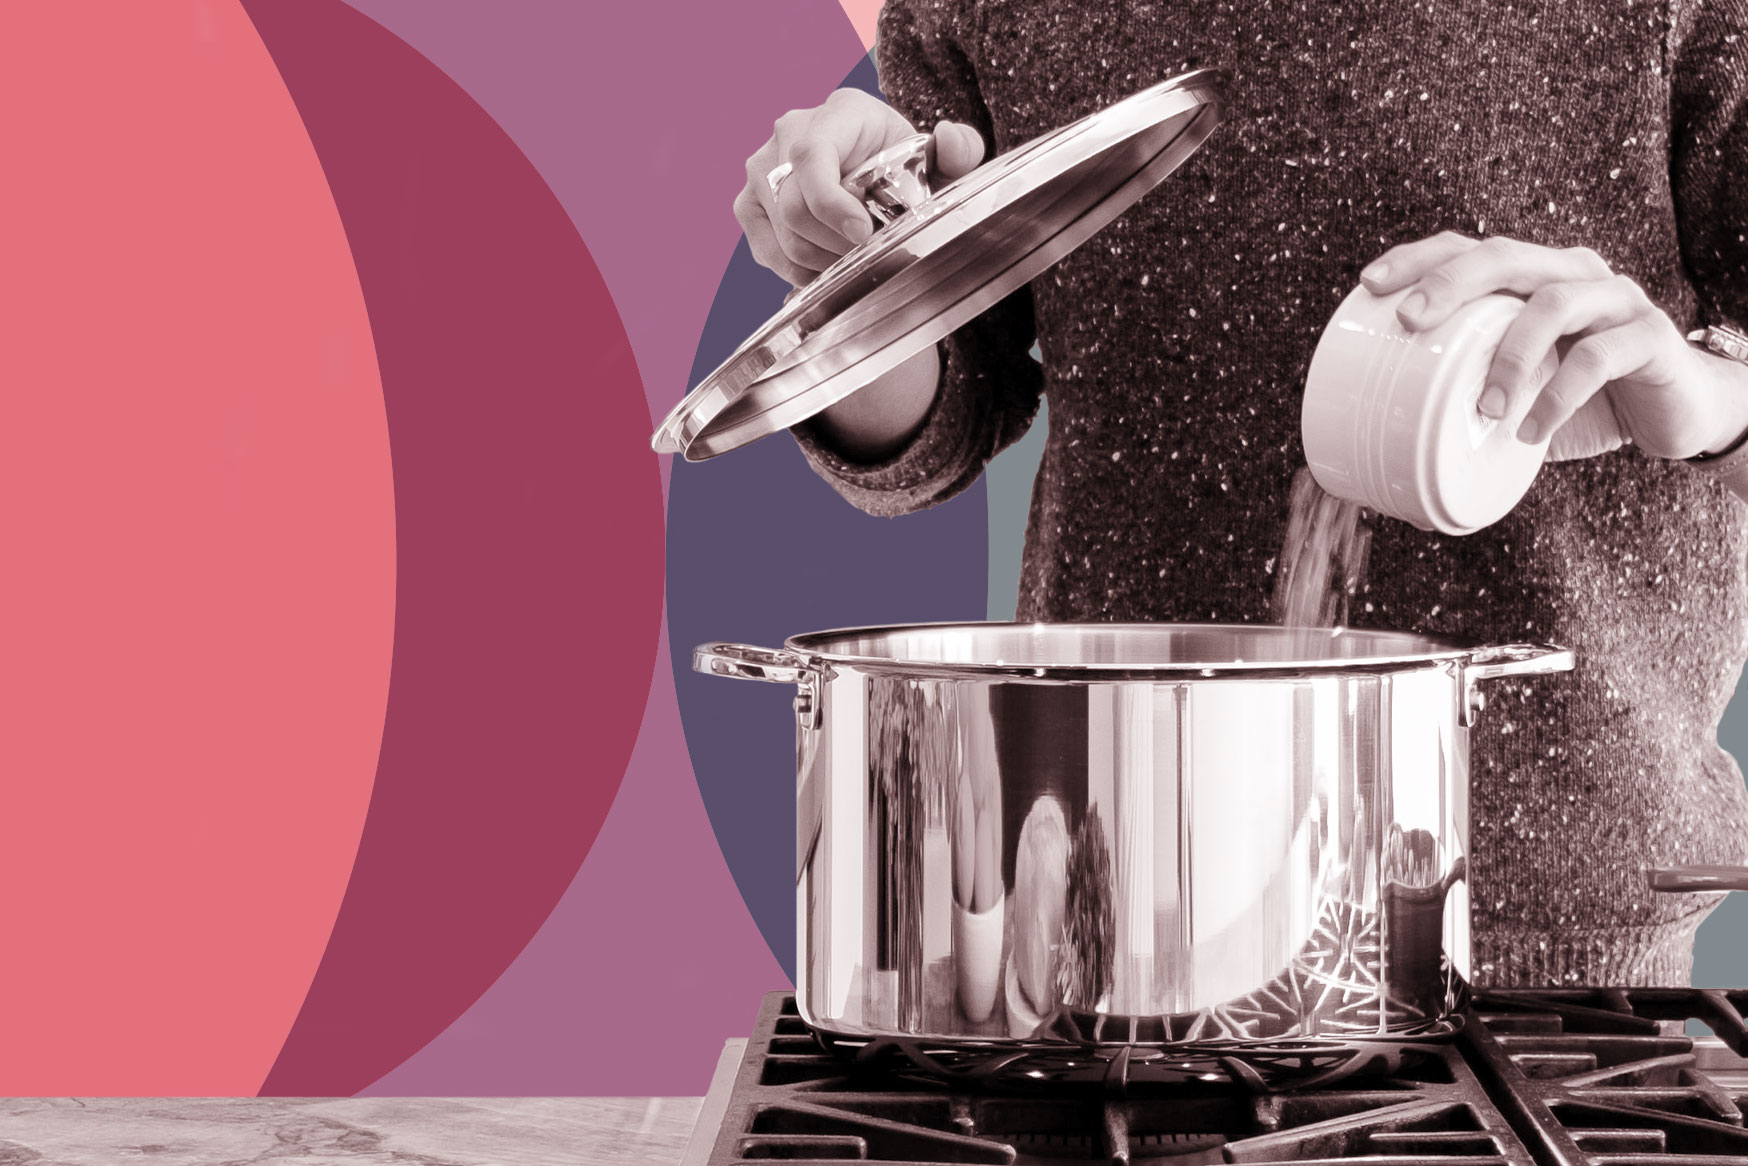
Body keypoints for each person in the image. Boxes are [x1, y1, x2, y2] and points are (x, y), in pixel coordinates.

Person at [733, 0, 1748, 988]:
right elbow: (950, 405)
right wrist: (856, 273)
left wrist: (1707, 403)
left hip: (1559, 959)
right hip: (1119, 898)